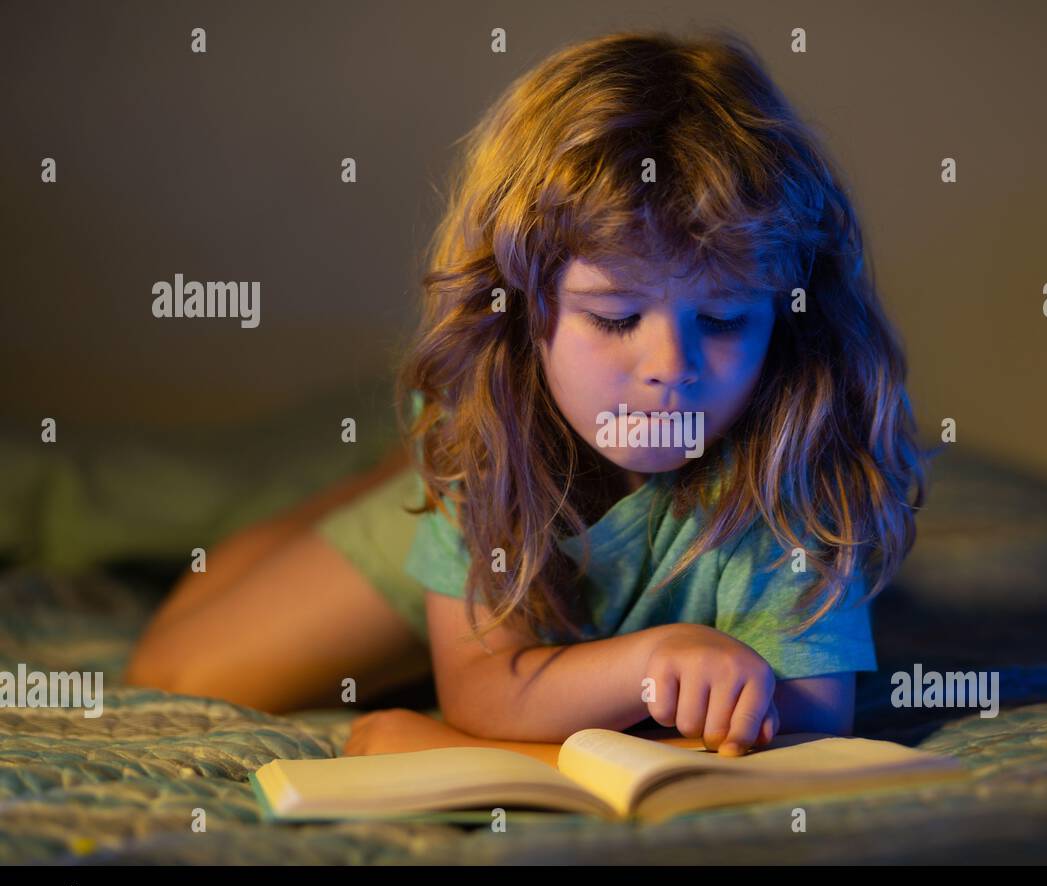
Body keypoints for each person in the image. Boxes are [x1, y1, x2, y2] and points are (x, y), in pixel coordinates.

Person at [125, 29, 929, 759]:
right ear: (517, 307)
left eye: (722, 318)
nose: (671, 366)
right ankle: (394, 483)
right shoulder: (483, 433)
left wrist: (478, 742)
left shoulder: (796, 446)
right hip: (496, 496)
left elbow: (812, 727)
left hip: (557, 568)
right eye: (615, 317)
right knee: (177, 673)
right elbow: (483, 686)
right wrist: (654, 659)